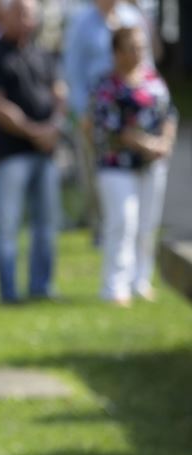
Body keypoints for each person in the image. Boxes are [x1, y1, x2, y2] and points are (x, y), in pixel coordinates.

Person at [0, 0, 65, 304]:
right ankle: (9, 292)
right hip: (11, 153)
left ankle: (42, 286)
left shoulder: (43, 53)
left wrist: (53, 126)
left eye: (30, 14)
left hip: (46, 153)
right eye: (20, 13)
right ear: (6, 17)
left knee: (46, 223)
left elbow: (59, 93)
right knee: (8, 225)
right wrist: (34, 131)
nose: (26, 20)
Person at [89, 26, 176, 307]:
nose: (138, 53)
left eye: (141, 47)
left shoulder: (153, 79)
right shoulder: (107, 86)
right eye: (132, 47)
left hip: (152, 167)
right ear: (117, 52)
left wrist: (165, 141)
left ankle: (141, 280)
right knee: (122, 222)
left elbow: (169, 114)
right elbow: (114, 130)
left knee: (147, 225)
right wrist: (149, 145)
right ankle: (115, 285)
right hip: (117, 166)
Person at [62, 0, 154, 242]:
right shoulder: (82, 21)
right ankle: (103, 228)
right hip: (96, 112)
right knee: (96, 174)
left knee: (137, 173)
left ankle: (132, 230)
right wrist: (81, 113)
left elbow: (147, 65)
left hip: (133, 110)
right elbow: (73, 71)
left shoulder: (131, 17)